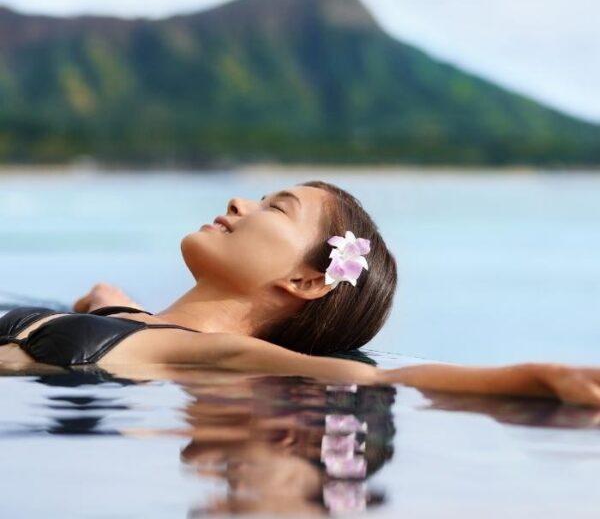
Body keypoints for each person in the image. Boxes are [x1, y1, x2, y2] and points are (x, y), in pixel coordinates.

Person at [1, 180, 600, 407]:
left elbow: (382, 380)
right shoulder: (124, 314)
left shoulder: (203, 352)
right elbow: (103, 294)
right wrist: (96, 303)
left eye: (273, 208)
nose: (239, 202)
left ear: (309, 281)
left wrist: (537, 377)